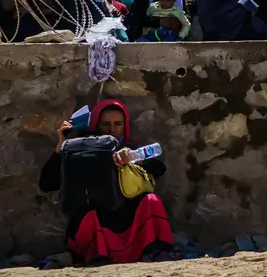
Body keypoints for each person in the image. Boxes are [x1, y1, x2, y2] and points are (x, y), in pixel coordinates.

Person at [40, 99, 175, 265]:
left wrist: (132, 158)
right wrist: (62, 145)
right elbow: (47, 183)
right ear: (96, 124)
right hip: (97, 218)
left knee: (151, 201)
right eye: (105, 124)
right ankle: (95, 256)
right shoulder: (79, 152)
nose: (112, 130)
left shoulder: (128, 149)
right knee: (90, 216)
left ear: (124, 126)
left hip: (126, 219)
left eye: (117, 124)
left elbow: (158, 169)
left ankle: (155, 251)